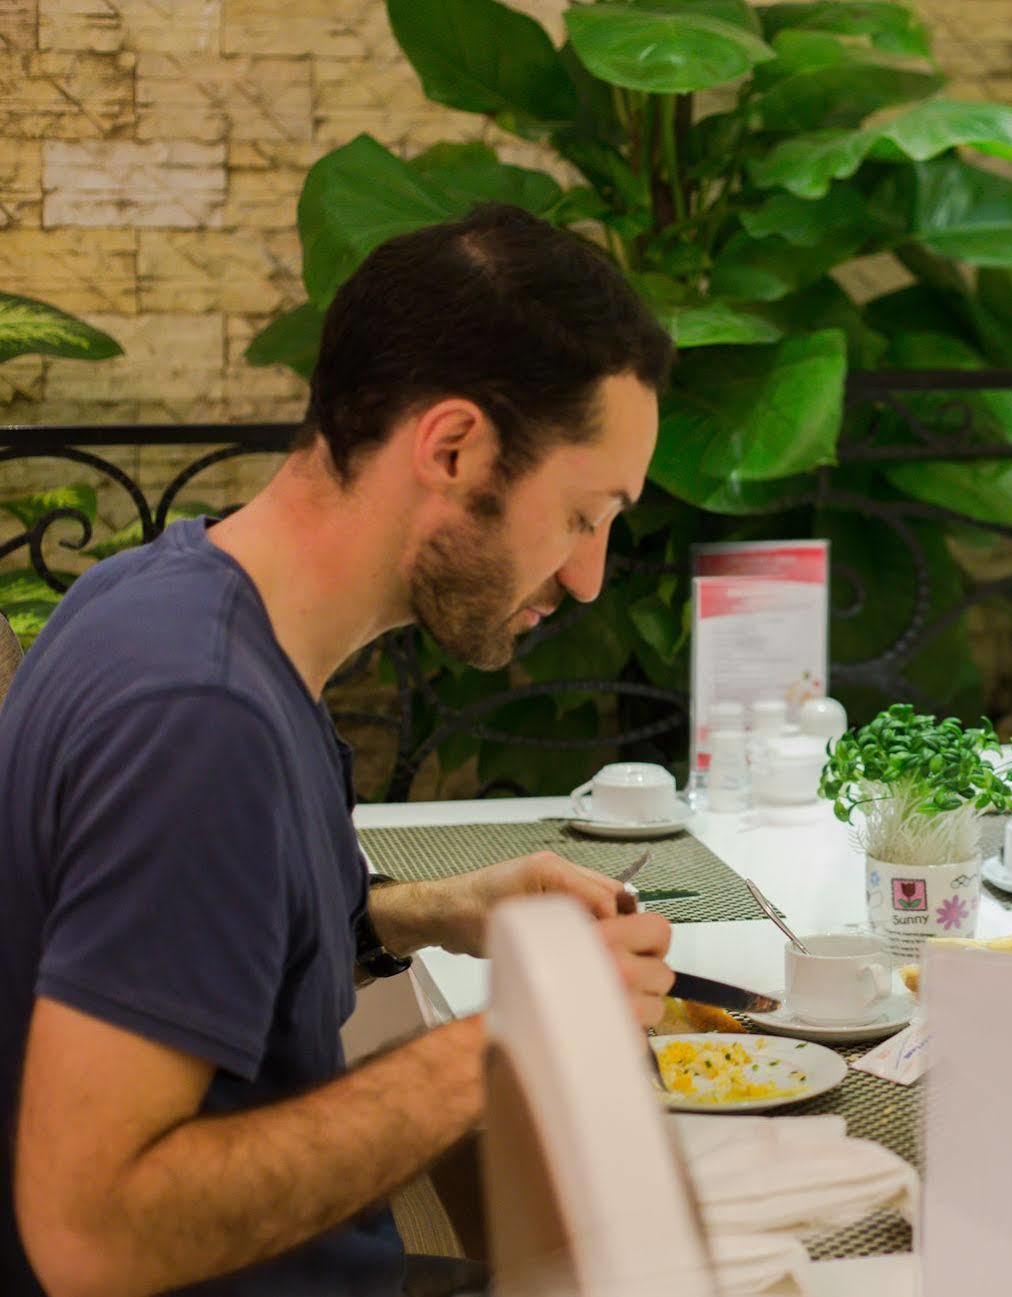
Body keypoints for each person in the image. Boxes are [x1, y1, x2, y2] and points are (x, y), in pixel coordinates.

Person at [0, 204, 682, 1296]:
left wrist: (443, 910)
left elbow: (206, 929)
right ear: (453, 448)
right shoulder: (197, 716)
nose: (588, 575)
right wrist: (520, 1031)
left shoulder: (161, 596)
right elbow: (93, 1234)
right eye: (583, 515)